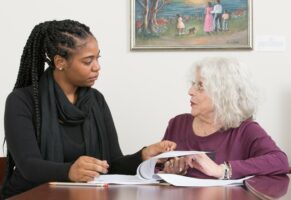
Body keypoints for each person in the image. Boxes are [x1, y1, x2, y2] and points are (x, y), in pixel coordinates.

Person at [1, 19, 176, 199]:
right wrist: (69, 171)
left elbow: (112, 164)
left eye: (97, 58)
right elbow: (28, 166)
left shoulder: (96, 100)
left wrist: (143, 155)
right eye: (87, 61)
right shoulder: (22, 101)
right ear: (60, 62)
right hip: (29, 196)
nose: (97, 67)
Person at [161, 57, 289, 179]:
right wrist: (168, 170)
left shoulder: (246, 130)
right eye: (193, 83)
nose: (190, 91)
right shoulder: (178, 124)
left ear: (224, 94)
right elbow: (157, 167)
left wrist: (222, 170)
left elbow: (280, 161)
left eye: (200, 86)